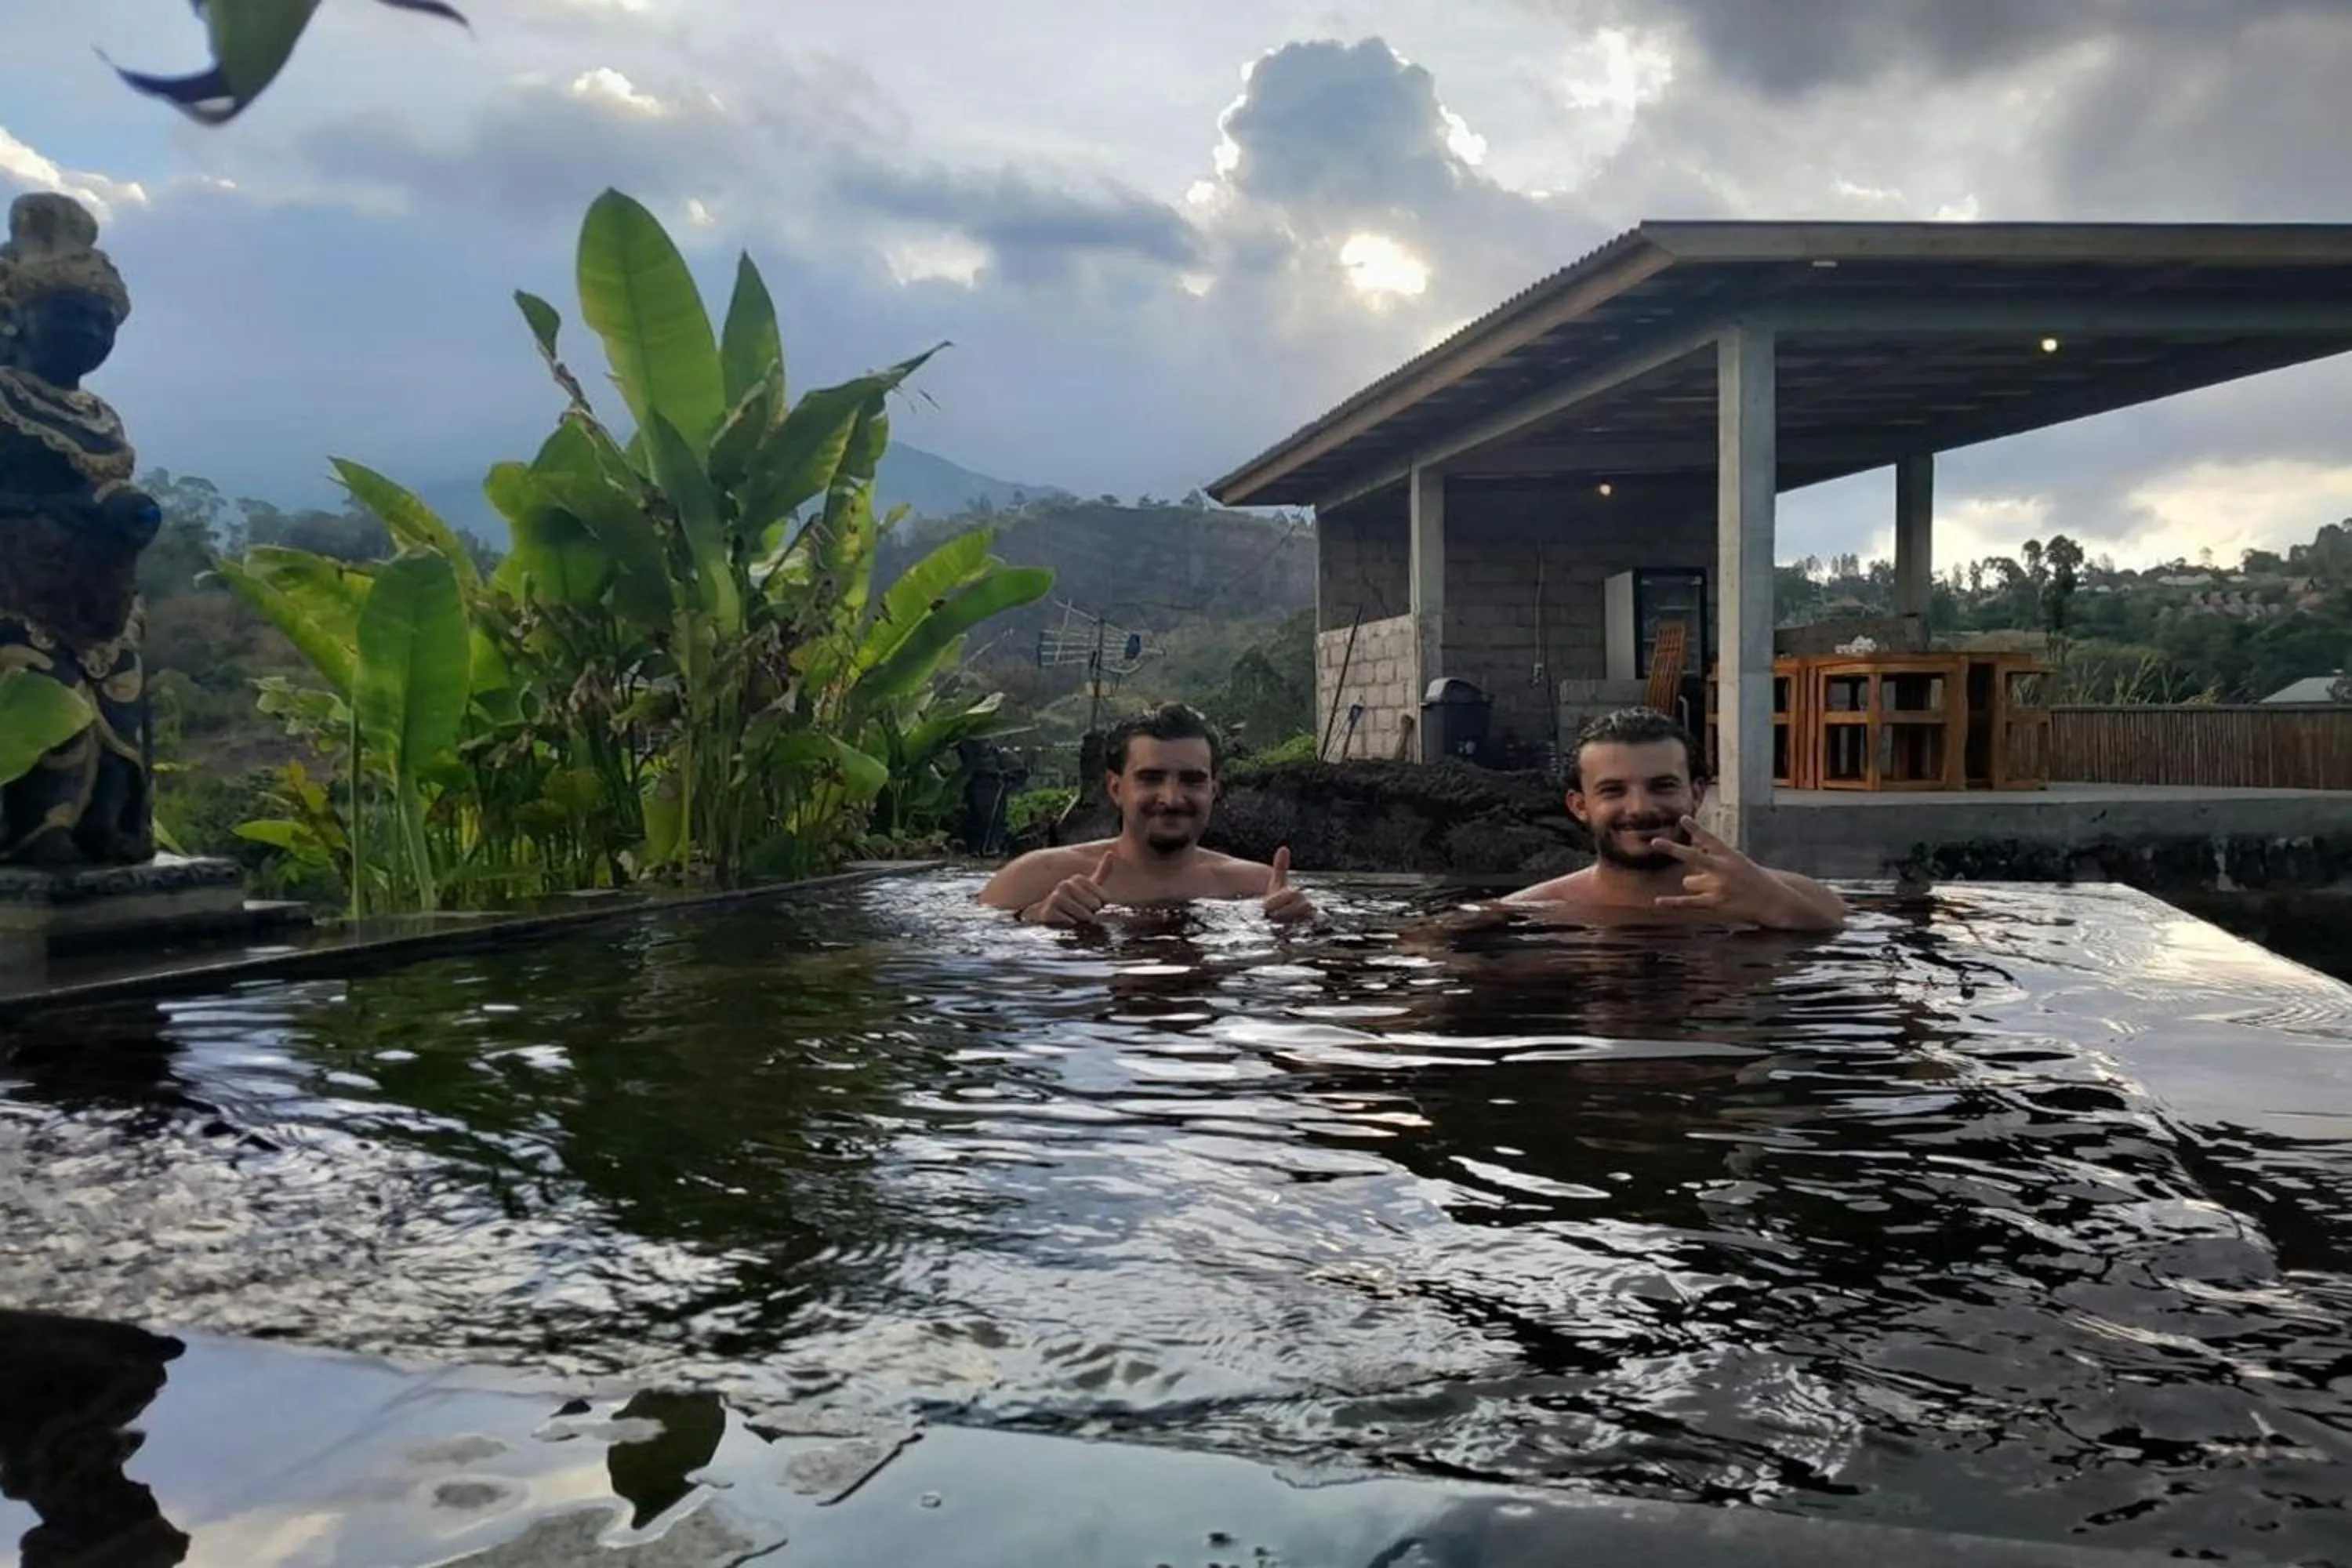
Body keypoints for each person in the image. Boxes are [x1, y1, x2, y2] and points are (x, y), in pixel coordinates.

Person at [1504, 706, 1849, 931]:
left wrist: (1776, 907)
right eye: (1613, 791)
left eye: (1663, 786)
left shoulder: (1805, 901)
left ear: (1697, 793)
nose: (1640, 808)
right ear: (1579, 805)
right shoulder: (1528, 914)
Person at [977, 702, 1316, 927]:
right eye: (1151, 778)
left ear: (1214, 791)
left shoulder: (1259, 888)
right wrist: (1034, 921)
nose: (1171, 798)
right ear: (1115, 789)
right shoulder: (1035, 877)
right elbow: (967, 961)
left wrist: (1295, 932)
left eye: (1192, 780)